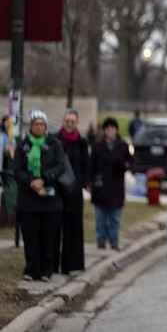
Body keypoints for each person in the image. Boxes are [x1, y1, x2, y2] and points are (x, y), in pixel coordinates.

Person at [14, 110, 66, 281]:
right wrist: (31, 182)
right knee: (30, 236)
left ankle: (46, 270)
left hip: (49, 198)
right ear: (31, 126)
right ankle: (31, 269)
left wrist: (44, 179)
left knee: (48, 236)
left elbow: (60, 167)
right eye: (36, 124)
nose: (39, 127)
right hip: (28, 198)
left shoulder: (54, 144)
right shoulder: (23, 145)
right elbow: (17, 170)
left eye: (42, 124)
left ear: (45, 126)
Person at [54, 109, 90, 275]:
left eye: (72, 122)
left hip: (74, 192)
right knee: (54, 229)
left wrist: (81, 183)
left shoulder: (81, 142)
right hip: (57, 191)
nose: (69, 124)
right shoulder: (55, 140)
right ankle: (52, 264)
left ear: (76, 123)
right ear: (63, 122)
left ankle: (71, 264)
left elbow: (85, 166)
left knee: (73, 229)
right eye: (67, 121)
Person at [89, 117, 132, 251]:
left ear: (116, 130)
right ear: (104, 131)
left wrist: (124, 164)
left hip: (116, 187)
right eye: (107, 129)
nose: (110, 131)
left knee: (114, 218)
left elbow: (131, 162)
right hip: (100, 186)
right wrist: (89, 182)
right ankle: (101, 241)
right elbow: (91, 166)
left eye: (113, 128)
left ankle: (114, 242)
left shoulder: (123, 145)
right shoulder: (97, 146)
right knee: (100, 218)